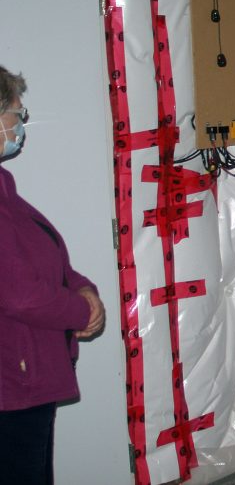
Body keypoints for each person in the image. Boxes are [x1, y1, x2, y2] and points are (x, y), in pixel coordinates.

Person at [0, 66, 106, 485]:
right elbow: (18, 292)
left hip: (24, 379)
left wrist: (84, 290)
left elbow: (45, 257)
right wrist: (81, 312)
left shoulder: (3, 185)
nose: (20, 123)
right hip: (10, 386)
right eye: (14, 113)